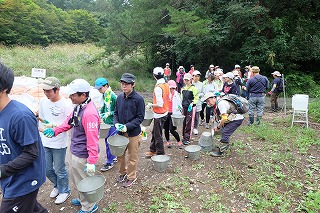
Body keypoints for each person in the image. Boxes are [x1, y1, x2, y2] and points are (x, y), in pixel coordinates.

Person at [43, 79, 100, 213]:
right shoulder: (79, 107)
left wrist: (92, 161)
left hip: (83, 154)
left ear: (83, 95)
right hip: (75, 150)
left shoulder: (89, 113)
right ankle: (81, 199)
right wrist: (55, 130)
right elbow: (69, 122)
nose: (70, 97)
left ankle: (89, 207)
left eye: (73, 95)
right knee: (77, 178)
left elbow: (93, 140)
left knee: (85, 180)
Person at [0, 63, 48, 213]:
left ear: (3, 88)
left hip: (23, 180)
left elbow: (31, 152)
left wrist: (2, 171)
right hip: (10, 178)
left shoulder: (20, 116)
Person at [38, 77, 73, 204]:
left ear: (57, 89)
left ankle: (65, 190)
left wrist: (54, 126)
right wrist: (42, 130)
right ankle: (57, 186)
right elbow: (41, 119)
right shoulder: (43, 102)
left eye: (49, 91)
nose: (46, 93)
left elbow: (69, 124)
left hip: (59, 142)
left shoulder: (66, 104)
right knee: (47, 169)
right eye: (44, 90)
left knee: (59, 169)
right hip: (45, 141)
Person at [113, 73, 145, 188]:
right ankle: (122, 173)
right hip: (120, 133)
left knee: (132, 156)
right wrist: (116, 123)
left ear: (133, 84)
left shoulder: (139, 99)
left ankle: (131, 176)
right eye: (122, 84)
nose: (124, 86)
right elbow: (115, 113)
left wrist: (127, 126)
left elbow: (140, 117)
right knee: (120, 155)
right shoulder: (120, 97)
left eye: (126, 84)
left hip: (133, 133)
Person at [202, 92, 244, 157]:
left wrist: (218, 127)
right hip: (232, 118)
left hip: (236, 119)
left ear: (214, 98)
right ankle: (226, 143)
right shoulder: (218, 102)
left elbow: (224, 119)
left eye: (208, 101)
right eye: (206, 102)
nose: (208, 103)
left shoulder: (221, 103)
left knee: (225, 132)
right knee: (225, 130)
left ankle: (221, 151)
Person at [94, 77, 118, 171]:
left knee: (109, 142)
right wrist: (101, 112)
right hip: (107, 122)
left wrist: (109, 113)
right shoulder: (105, 95)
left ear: (106, 85)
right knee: (108, 141)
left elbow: (118, 110)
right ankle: (113, 157)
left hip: (113, 123)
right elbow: (105, 106)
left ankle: (109, 162)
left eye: (100, 88)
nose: (99, 90)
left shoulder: (113, 96)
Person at [145, 67, 169, 157]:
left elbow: (159, 104)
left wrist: (151, 105)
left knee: (158, 135)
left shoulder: (158, 87)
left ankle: (160, 154)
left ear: (154, 76)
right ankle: (153, 149)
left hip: (159, 114)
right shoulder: (166, 85)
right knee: (155, 132)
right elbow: (168, 98)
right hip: (165, 112)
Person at [163, 80, 183, 148]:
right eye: (170, 88)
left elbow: (180, 105)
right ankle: (168, 141)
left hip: (173, 114)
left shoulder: (177, 95)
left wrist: (179, 110)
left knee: (172, 129)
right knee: (166, 128)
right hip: (166, 113)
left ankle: (179, 141)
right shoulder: (165, 94)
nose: (172, 89)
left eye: (173, 88)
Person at [181, 73, 199, 145]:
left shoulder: (194, 88)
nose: (186, 81)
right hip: (184, 107)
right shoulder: (183, 88)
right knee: (184, 121)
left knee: (189, 122)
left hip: (191, 107)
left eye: (187, 80)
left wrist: (192, 103)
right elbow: (181, 97)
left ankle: (187, 137)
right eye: (185, 80)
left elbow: (196, 98)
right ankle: (183, 135)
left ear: (191, 80)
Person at [192, 70, 204, 135]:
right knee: (190, 115)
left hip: (198, 102)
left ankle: (195, 128)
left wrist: (199, 96)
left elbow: (203, 93)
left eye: (198, 76)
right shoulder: (190, 83)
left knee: (197, 116)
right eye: (195, 76)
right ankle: (190, 127)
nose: (196, 77)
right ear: (193, 77)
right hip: (191, 102)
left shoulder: (201, 84)